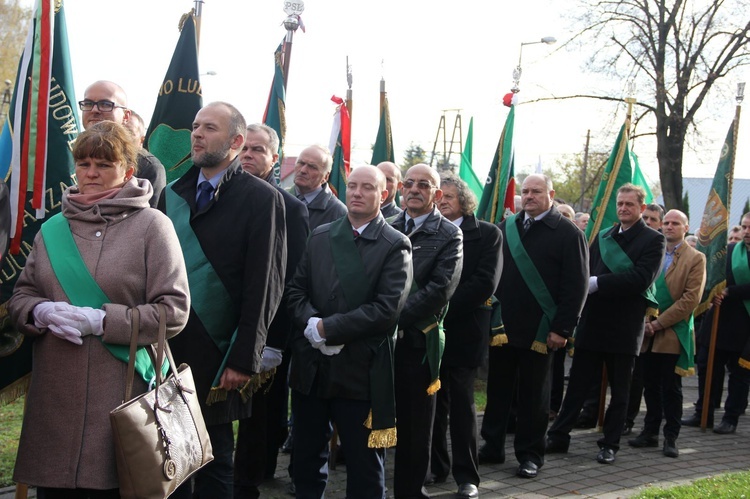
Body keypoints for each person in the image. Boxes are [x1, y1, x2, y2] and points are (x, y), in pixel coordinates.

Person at [8, 121, 191, 495]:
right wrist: (38, 312)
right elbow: (22, 296)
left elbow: (174, 310)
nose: (91, 173)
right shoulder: (52, 229)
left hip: (123, 397)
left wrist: (104, 320)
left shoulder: (153, 226)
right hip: (55, 400)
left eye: (104, 165)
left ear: (127, 170)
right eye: (84, 163)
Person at [160, 102, 287, 498]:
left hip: (221, 352)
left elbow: (265, 285)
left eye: (209, 128)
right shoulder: (171, 194)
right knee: (173, 456)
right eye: (195, 125)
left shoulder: (262, 198)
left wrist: (243, 357)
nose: (196, 133)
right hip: (169, 350)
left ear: (235, 141)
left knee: (215, 459)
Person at [287, 164, 413, 498]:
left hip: (360, 373)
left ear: (384, 195)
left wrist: (329, 329)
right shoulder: (320, 235)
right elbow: (296, 290)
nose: (357, 193)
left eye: (368, 187)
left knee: (364, 466)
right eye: (353, 186)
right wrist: (311, 324)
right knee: (306, 460)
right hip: (311, 368)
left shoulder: (395, 244)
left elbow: (386, 310)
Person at [547, 183, 665, 465]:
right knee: (577, 384)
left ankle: (610, 443)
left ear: (642, 207)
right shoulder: (604, 235)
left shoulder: (653, 240)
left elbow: (640, 279)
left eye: (630, 204)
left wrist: (599, 283)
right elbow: (588, 271)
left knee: (620, 390)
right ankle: (559, 436)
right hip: (594, 321)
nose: (623, 208)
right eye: (620, 204)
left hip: (624, 325)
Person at [480, 174, 588, 479]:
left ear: (551, 194)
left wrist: (563, 328)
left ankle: (530, 454)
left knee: (533, 397)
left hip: (541, 330)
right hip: (503, 327)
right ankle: (491, 446)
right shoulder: (507, 228)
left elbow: (576, 286)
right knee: (497, 390)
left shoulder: (568, 233)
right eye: (525, 191)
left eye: (536, 191)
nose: (529, 196)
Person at [234, 124, 310, 498]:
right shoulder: (213, 198)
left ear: (274, 159)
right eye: (244, 148)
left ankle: (250, 479)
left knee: (256, 417)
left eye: (258, 150)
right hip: (217, 327)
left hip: (265, 332)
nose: (249, 155)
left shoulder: (291, 209)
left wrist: (274, 340)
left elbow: (290, 279)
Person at [391, 164, 463, 499]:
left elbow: (439, 289)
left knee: (415, 428)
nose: (414, 189)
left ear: (436, 194)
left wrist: (388, 319)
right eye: (409, 183)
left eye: (424, 185)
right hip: (380, 342)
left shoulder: (449, 234)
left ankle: (409, 492)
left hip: (418, 342)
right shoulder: (388, 226)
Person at [430, 174, 502, 491]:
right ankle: (436, 468)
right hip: (428, 332)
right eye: (438, 195)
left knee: (461, 407)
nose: (441, 200)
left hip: (463, 331)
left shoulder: (487, 234)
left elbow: (484, 283)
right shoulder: (428, 229)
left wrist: (439, 307)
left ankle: (467, 478)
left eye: (448, 195)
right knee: (431, 405)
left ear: (464, 200)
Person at [627, 209, 705, 458]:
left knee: (670, 388)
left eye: (676, 223)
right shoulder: (653, 251)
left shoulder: (695, 258)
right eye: (667, 223)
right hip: (646, 330)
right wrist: (645, 322)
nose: (669, 227)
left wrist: (658, 324)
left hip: (672, 331)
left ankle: (671, 436)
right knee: (648, 384)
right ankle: (649, 432)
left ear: (686, 227)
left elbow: (690, 299)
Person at [682, 212, 750, 434]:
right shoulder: (729, 252)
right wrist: (713, 292)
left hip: (745, 323)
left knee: (740, 373)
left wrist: (729, 290)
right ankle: (704, 412)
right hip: (720, 318)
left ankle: (730, 417)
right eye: (745, 227)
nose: (747, 232)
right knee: (708, 366)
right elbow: (711, 278)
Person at [79, 80, 166, 208]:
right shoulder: (66, 155)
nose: (95, 110)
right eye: (88, 104)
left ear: (126, 116)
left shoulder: (147, 166)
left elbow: (148, 220)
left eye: (105, 104)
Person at [290, 145, 347, 230]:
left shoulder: (338, 212)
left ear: (325, 177)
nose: (303, 170)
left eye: (312, 167)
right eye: (301, 163)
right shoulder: (279, 197)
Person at [123, 109, 167, 207]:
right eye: (120, 131)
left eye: (129, 133)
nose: (123, 137)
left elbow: (154, 209)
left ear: (142, 140)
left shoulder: (151, 167)